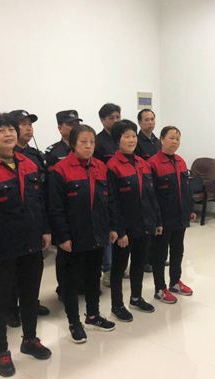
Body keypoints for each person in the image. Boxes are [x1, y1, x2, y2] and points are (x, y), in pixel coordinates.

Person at [0, 113, 52, 377]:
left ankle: (30, 340)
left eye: (11, 130)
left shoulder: (29, 163)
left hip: (31, 244)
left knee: (30, 295)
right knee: (1, 301)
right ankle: (1, 351)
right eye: (1, 130)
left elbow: (39, 202)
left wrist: (45, 229)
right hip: (2, 249)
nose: (8, 134)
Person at [49, 124, 117, 343]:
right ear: (73, 144)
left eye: (92, 142)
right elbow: (56, 208)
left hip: (98, 234)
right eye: (83, 142)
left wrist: (112, 227)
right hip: (74, 237)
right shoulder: (60, 170)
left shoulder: (101, 167)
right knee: (71, 282)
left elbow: (110, 201)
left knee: (93, 277)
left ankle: (93, 315)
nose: (89, 146)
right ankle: (74, 322)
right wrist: (63, 237)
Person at [106, 120, 161, 321]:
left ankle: (136, 298)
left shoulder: (143, 163)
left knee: (139, 263)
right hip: (125, 229)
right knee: (119, 268)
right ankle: (117, 305)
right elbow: (112, 202)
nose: (131, 140)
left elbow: (151, 196)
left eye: (133, 136)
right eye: (126, 136)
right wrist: (120, 231)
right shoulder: (112, 166)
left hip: (144, 224)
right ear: (117, 140)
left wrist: (157, 221)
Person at [6, 109, 50, 327]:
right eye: (22, 124)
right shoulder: (5, 155)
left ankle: (30, 303)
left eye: (30, 124)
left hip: (34, 221)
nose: (28, 128)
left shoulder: (35, 155)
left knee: (34, 269)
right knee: (13, 272)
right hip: (13, 224)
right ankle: (11, 309)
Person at [148, 126, 196, 304]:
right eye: (171, 138)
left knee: (178, 251)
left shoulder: (180, 161)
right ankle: (160, 288)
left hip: (180, 215)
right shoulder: (153, 163)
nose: (175, 142)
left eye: (178, 138)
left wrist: (191, 208)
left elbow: (187, 188)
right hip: (163, 218)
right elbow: (151, 196)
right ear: (161, 139)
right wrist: (157, 220)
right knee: (160, 255)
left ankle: (175, 282)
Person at [45, 109, 83, 301]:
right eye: (71, 124)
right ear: (60, 128)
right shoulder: (53, 152)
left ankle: (81, 285)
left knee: (82, 252)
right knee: (65, 254)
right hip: (63, 208)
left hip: (81, 209)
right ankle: (64, 288)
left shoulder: (83, 148)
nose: (75, 127)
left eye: (77, 123)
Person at [94, 103, 121, 287]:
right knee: (109, 233)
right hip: (106, 191)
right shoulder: (98, 141)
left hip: (124, 190)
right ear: (102, 120)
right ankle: (108, 269)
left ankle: (119, 266)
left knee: (121, 231)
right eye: (111, 118)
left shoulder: (123, 137)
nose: (115, 120)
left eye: (118, 117)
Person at [135, 108, 162, 272]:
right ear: (139, 123)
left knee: (158, 224)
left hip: (159, 187)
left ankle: (156, 257)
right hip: (145, 188)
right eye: (147, 119)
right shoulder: (137, 142)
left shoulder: (157, 141)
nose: (150, 122)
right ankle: (145, 260)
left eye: (152, 119)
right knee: (147, 226)